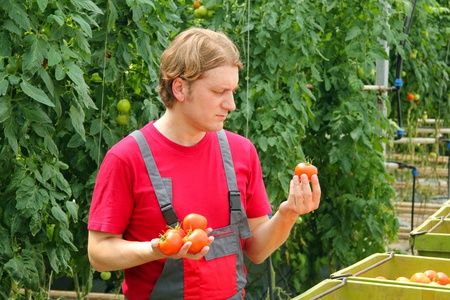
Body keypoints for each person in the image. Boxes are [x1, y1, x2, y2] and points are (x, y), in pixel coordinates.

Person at [87, 27, 321, 300]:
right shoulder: (127, 158)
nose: (231, 104)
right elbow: (99, 253)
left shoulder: (241, 152)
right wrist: (156, 249)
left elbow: (256, 250)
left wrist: (287, 214)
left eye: (233, 90)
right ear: (180, 88)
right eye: (219, 91)